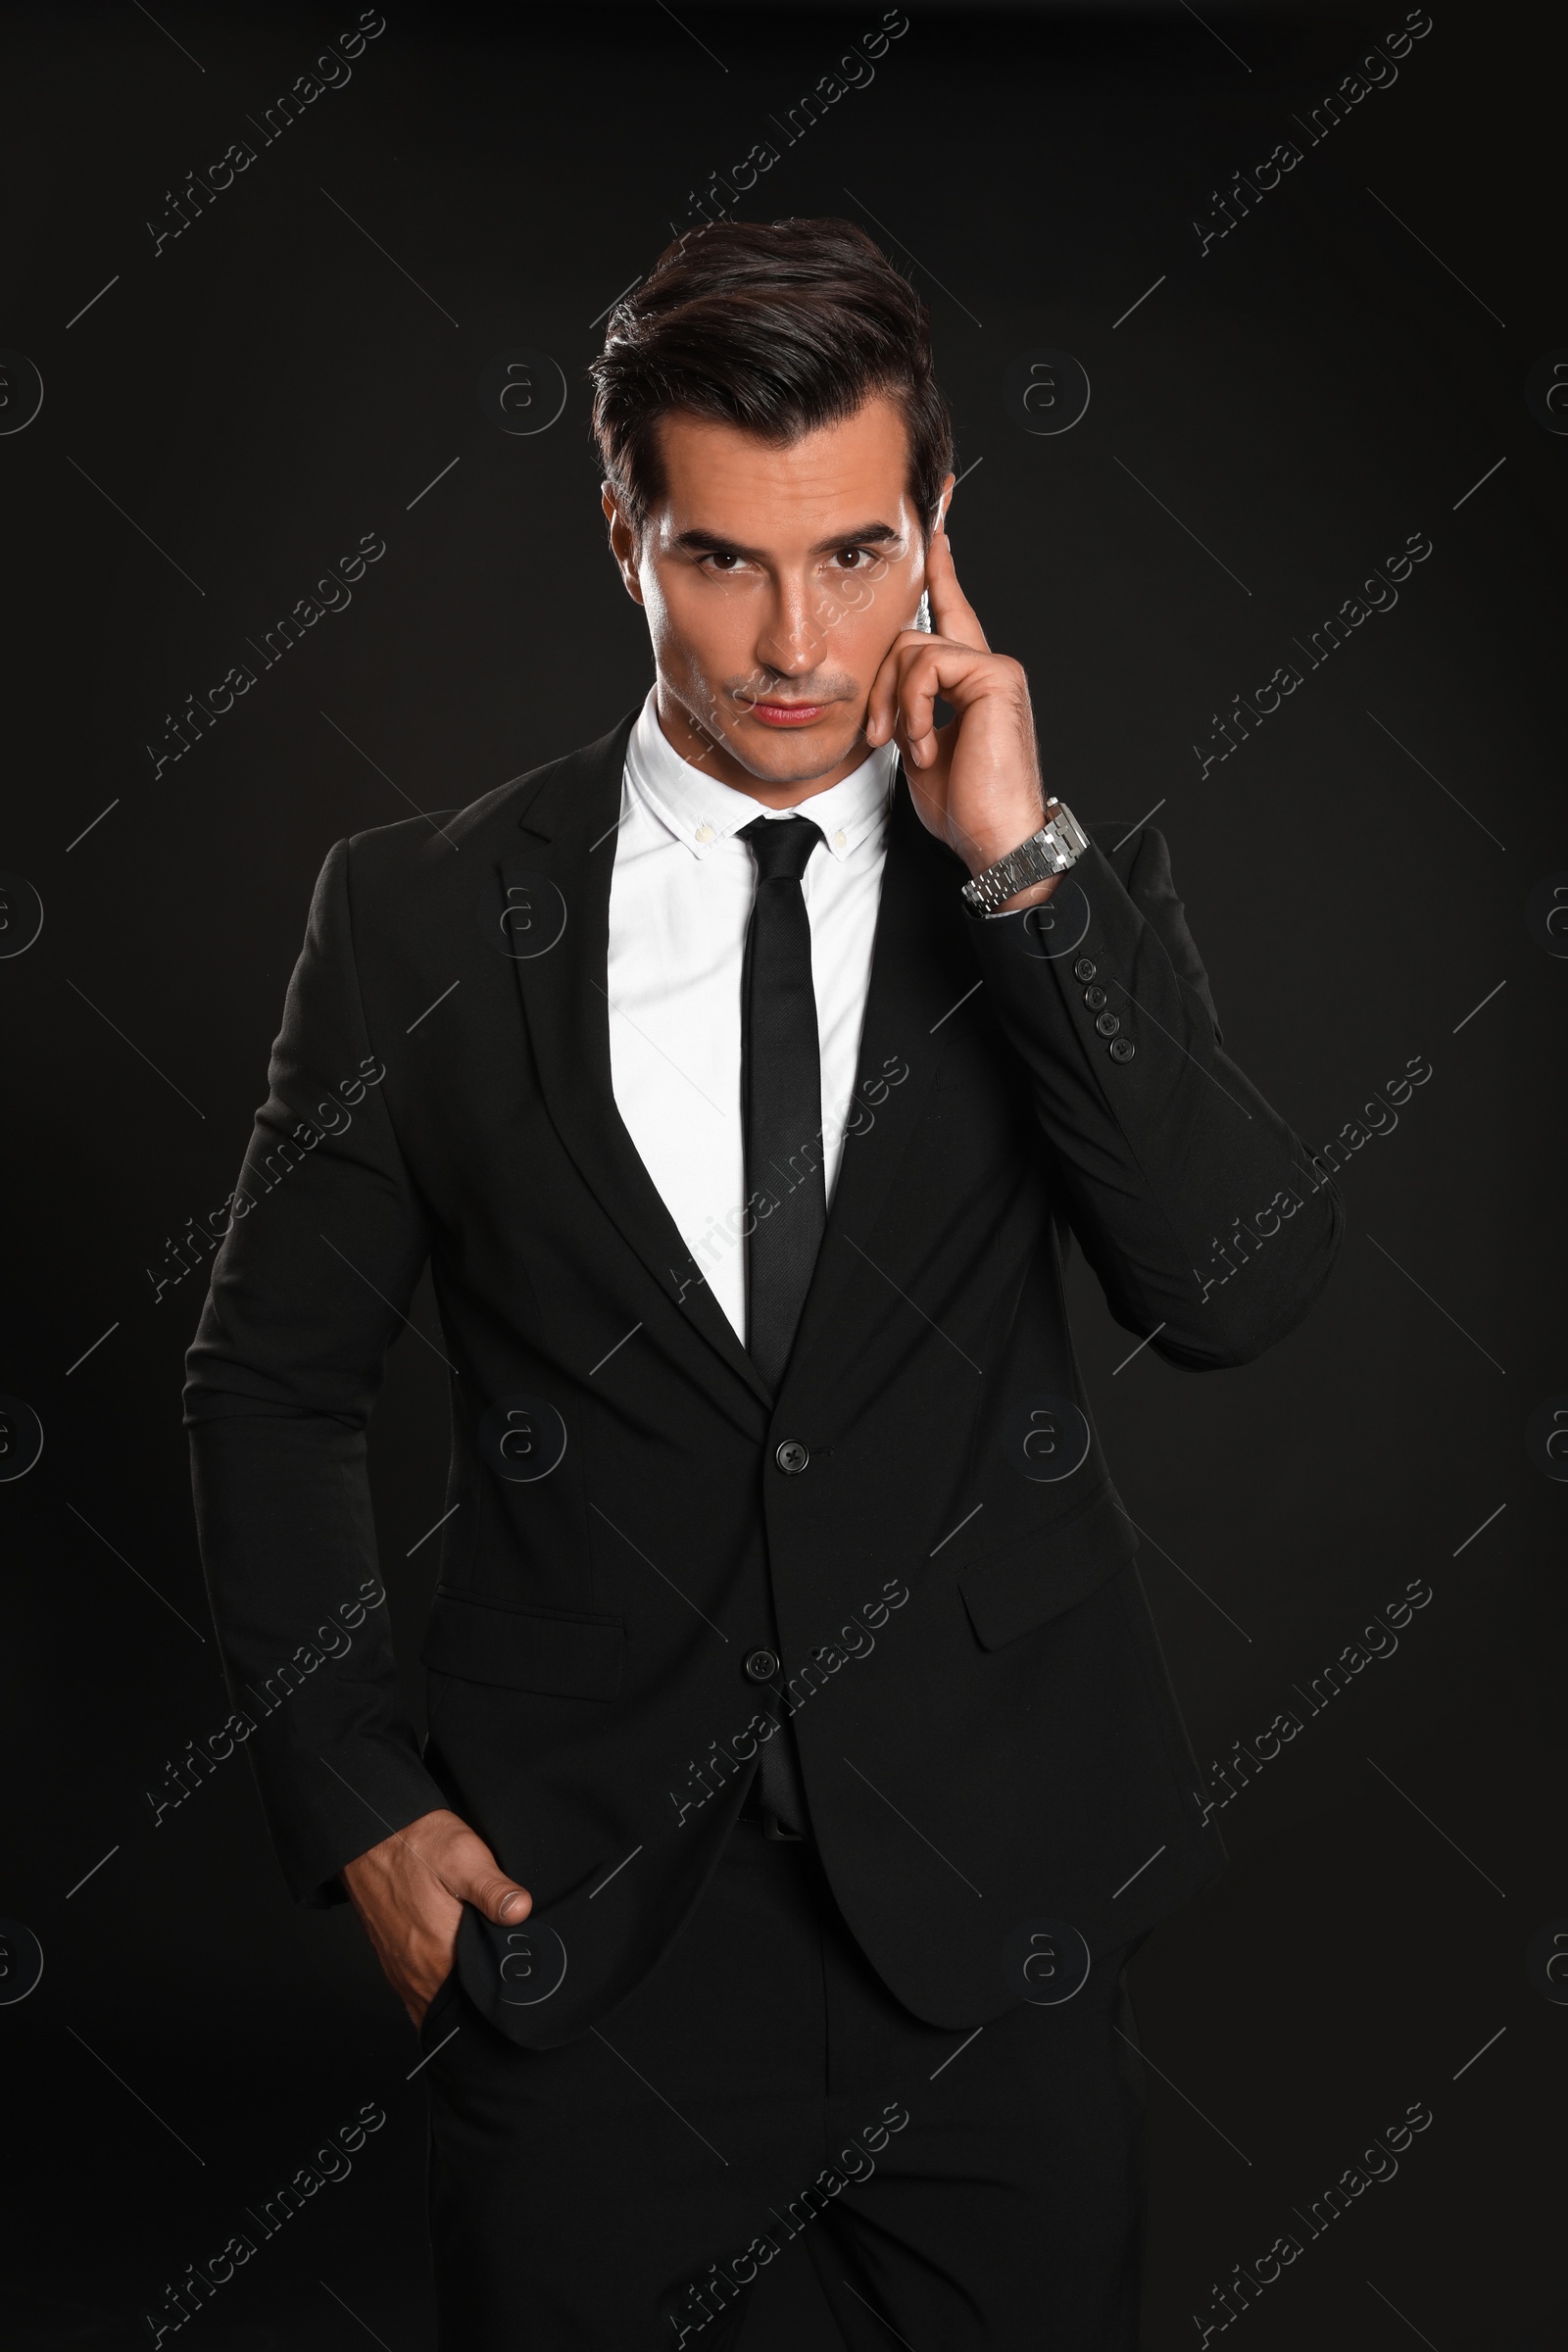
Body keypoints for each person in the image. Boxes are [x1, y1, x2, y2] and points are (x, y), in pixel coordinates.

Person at [184, 217, 1342, 2348]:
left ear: (938, 530)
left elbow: (1233, 1287)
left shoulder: (1050, 871)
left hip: (994, 1932)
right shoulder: (419, 920)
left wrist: (1015, 858)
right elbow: (265, 1383)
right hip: (582, 1938)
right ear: (617, 526)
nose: (795, 642)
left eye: (854, 554)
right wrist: (357, 1802)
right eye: (720, 560)